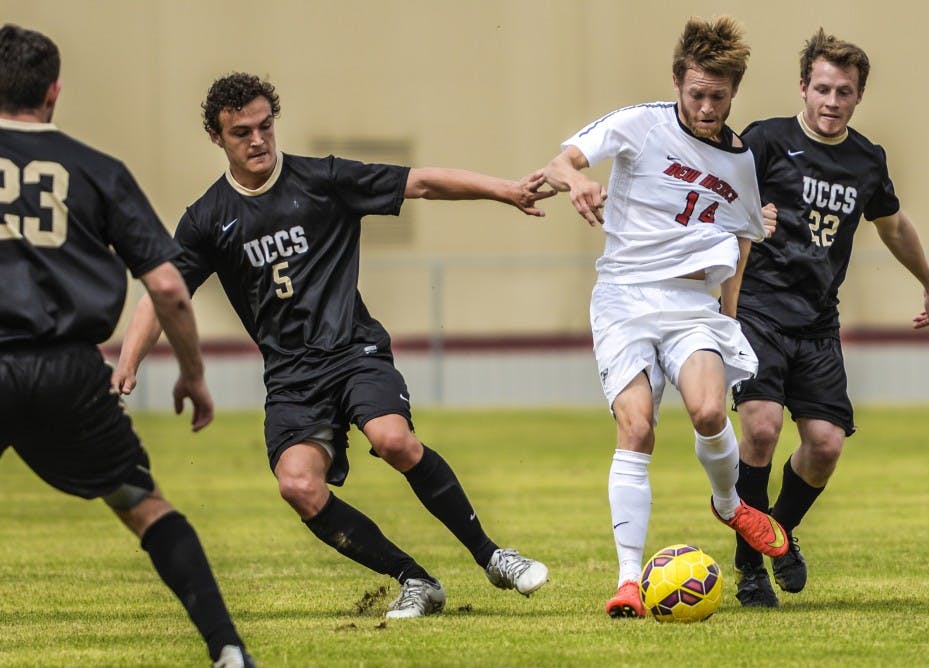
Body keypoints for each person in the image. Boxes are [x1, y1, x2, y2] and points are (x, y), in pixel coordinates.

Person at [114, 72, 553, 619]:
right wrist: (127, 362)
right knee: (298, 486)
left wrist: (505, 190)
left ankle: (492, 556)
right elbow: (162, 290)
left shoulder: (322, 179)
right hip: (292, 377)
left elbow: (420, 182)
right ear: (217, 138)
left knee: (392, 439)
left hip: (353, 352)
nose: (257, 140)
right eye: (241, 132)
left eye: (265, 126)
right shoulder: (207, 219)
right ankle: (414, 580)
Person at [0, 25, 253, 668]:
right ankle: (228, 651)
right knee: (142, 505)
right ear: (54, 91)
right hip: (68, 371)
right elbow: (168, 286)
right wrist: (194, 374)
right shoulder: (96, 170)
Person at [541, 15, 787, 619]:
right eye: (696, 94)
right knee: (639, 427)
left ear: (734, 93)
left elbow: (745, 240)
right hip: (624, 300)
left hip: (690, 307)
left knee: (708, 410)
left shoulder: (740, 162)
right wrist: (577, 182)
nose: (706, 107)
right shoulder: (639, 125)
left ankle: (729, 505)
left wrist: (727, 319)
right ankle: (628, 580)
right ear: (677, 82)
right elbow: (560, 162)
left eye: (718, 97)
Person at [730, 28, 929, 607]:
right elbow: (715, 202)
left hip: (819, 323)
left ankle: (778, 531)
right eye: (822, 88)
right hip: (756, 312)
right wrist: (746, 221)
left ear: (858, 96)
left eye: (844, 92)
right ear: (803, 88)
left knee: (825, 445)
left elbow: (895, 226)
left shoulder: (866, 159)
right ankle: (750, 568)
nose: (831, 101)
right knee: (760, 429)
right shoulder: (764, 142)